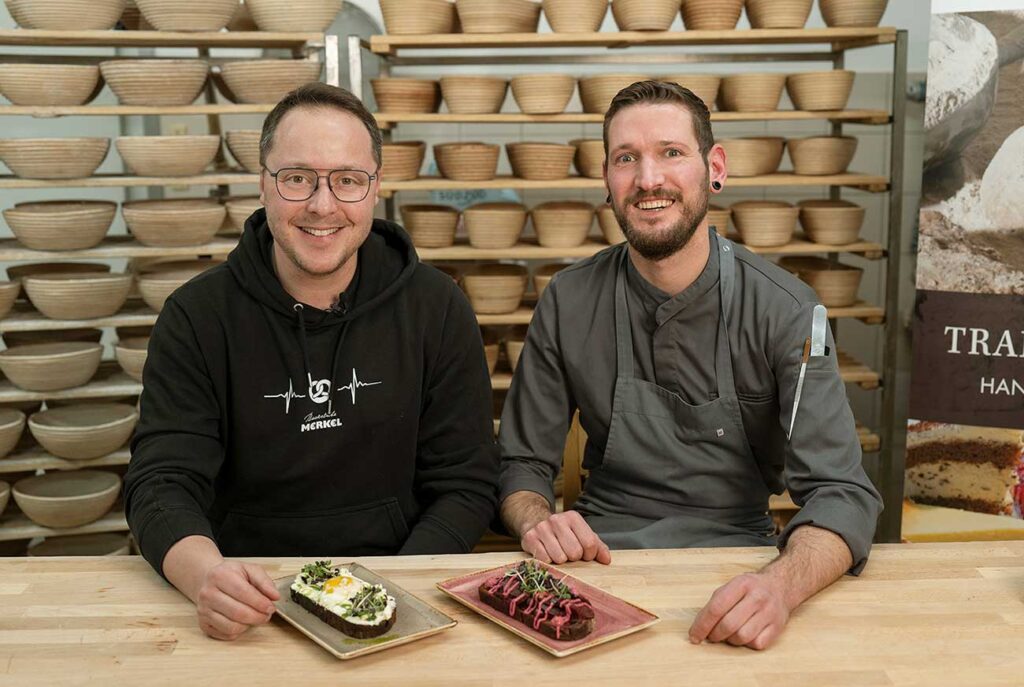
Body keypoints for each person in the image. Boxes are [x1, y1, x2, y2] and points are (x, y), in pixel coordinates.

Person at [497, 80, 883, 651]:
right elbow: (520, 465)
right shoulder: (569, 300)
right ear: (607, 179)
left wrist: (781, 585)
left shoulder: (789, 310)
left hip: (740, 566)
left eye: (671, 153)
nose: (648, 179)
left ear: (715, 168)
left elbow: (843, 493)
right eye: (627, 158)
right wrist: (537, 522)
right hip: (596, 564)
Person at [125, 83, 499, 641]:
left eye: (347, 180)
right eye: (297, 178)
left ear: (375, 189)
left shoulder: (436, 307)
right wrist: (206, 576)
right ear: (263, 185)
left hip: (399, 586)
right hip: (251, 594)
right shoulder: (197, 315)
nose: (323, 205)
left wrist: (392, 594)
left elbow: (466, 482)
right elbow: (161, 482)